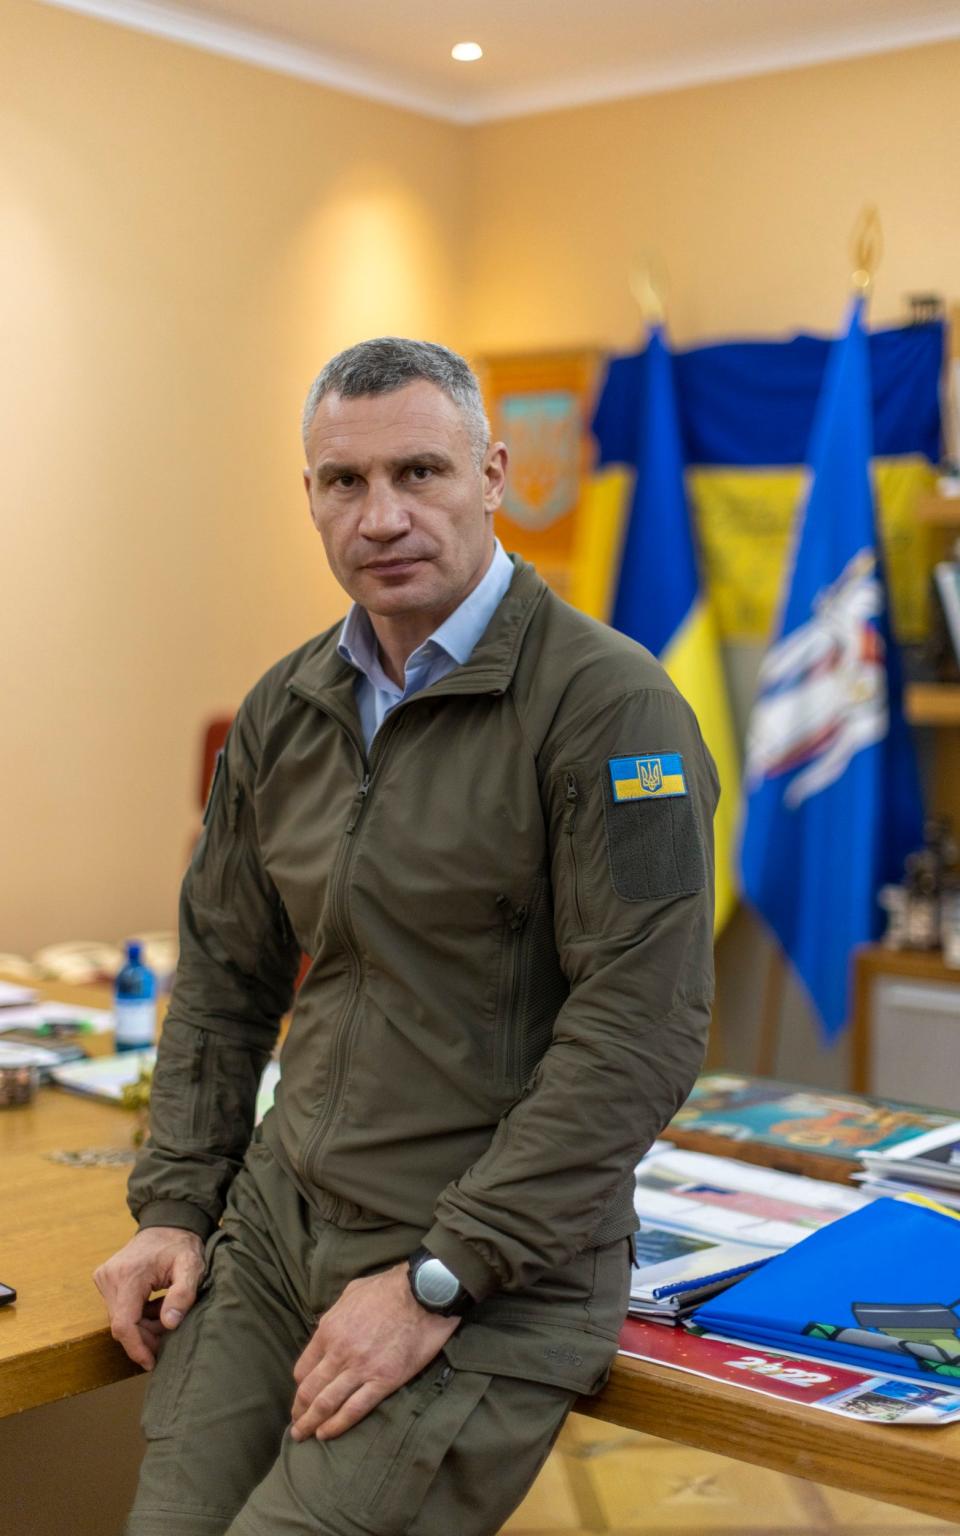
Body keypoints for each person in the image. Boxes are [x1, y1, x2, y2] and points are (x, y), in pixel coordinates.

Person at [95, 337, 718, 1536]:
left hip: (489, 1265)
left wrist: (444, 1275)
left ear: (491, 475)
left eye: (419, 473)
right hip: (282, 1229)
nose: (381, 517)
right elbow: (225, 976)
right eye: (345, 483)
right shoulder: (286, 707)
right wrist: (174, 1203)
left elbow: (641, 1032)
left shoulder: (610, 706)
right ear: (312, 498)